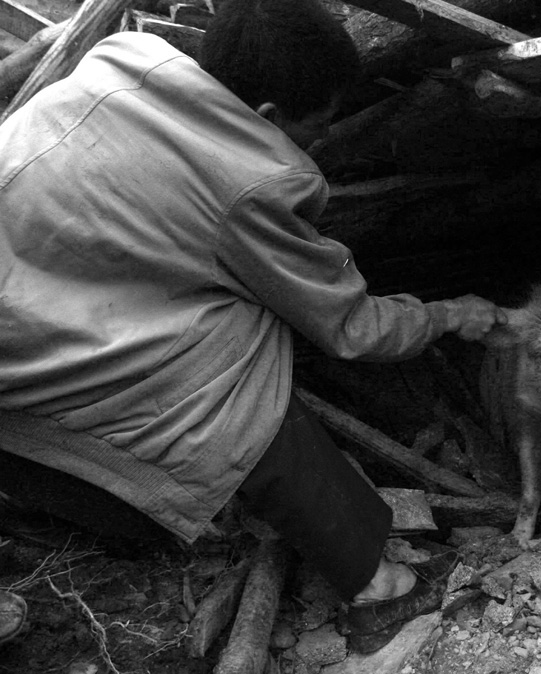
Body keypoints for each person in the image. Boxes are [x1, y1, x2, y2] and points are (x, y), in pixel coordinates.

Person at [0, 0, 505, 653]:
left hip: (16, 377)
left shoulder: (108, 74)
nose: (318, 141)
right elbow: (349, 326)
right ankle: (379, 587)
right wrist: (448, 315)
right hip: (43, 400)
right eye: (317, 127)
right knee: (237, 363)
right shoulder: (248, 183)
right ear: (267, 117)